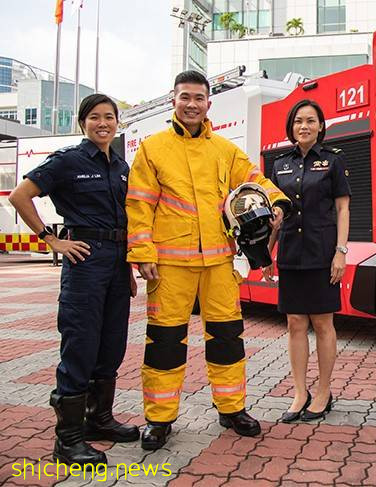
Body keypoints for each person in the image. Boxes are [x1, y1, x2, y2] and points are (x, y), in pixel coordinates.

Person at [126, 70, 291, 450]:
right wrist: (142, 252)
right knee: (165, 342)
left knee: (228, 339)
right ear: (173, 100)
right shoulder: (152, 149)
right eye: (185, 97)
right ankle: (159, 418)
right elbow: (138, 205)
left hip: (218, 261)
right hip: (169, 264)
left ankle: (232, 408)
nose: (192, 104)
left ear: (208, 104)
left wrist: (277, 202)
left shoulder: (223, 149)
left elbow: (253, 177)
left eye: (199, 98)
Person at [9, 94, 139, 467]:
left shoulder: (121, 166)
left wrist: (127, 269)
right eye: (95, 117)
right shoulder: (68, 161)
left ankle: (99, 420)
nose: (103, 123)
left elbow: (125, 222)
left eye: (110, 117)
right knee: (80, 345)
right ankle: (67, 441)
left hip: (117, 263)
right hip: (85, 261)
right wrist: (51, 240)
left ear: (117, 123)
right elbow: (21, 195)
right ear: (83, 122)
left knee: (112, 344)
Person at [263, 99, 351, 422]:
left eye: (311, 121)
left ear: (320, 126)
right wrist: (267, 252)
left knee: (323, 324)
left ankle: (324, 391)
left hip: (322, 253)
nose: (304, 126)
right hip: (290, 253)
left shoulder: (332, 162)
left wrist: (341, 252)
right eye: (299, 121)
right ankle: (301, 392)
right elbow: (277, 215)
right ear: (291, 127)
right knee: (295, 324)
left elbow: (343, 209)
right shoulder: (279, 165)